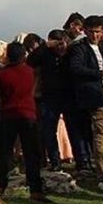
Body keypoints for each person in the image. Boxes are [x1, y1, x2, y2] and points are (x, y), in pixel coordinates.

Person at [0, 42, 50, 203]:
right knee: (31, 154)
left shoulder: (1, 75)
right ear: (24, 55)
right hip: (29, 115)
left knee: (5, 153)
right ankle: (35, 190)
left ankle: (0, 186)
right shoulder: (31, 72)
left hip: (8, 116)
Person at [69, 15, 103, 184]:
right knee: (101, 134)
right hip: (95, 95)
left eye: (98, 32)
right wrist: (101, 73)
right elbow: (76, 68)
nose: (95, 35)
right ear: (85, 31)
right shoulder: (80, 48)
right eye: (91, 32)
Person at [27, 30, 71, 171]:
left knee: (74, 130)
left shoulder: (70, 53)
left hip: (67, 96)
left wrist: (65, 48)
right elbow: (30, 61)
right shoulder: (45, 54)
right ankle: (54, 160)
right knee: (48, 130)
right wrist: (45, 46)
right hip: (49, 97)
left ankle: (82, 162)